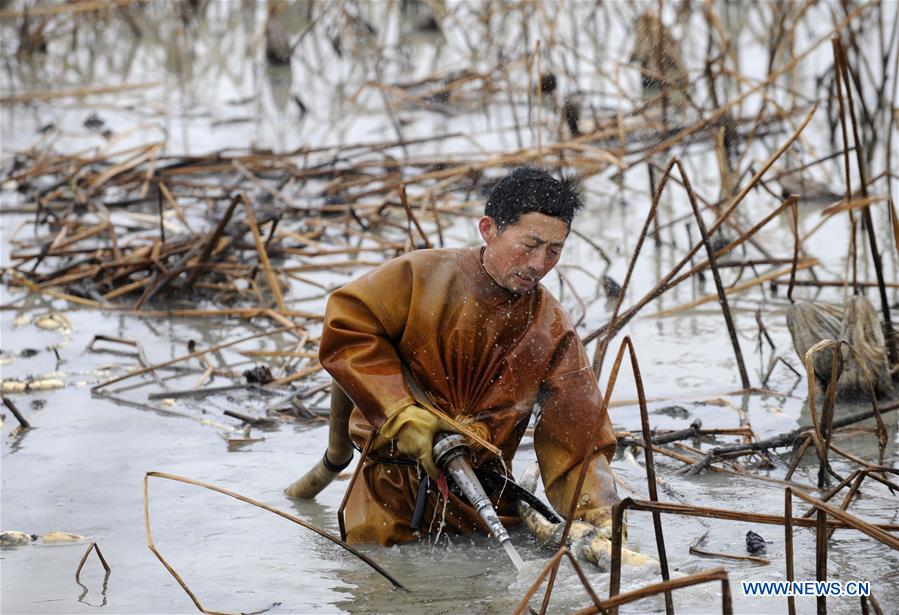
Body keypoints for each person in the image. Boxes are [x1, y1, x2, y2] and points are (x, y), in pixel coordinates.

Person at [287, 166, 620, 546]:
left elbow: (578, 443)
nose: (539, 264)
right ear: (488, 229)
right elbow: (348, 326)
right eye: (529, 245)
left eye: (554, 250)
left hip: (487, 505)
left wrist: (602, 518)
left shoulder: (552, 329)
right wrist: (400, 414)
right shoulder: (421, 277)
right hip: (389, 500)